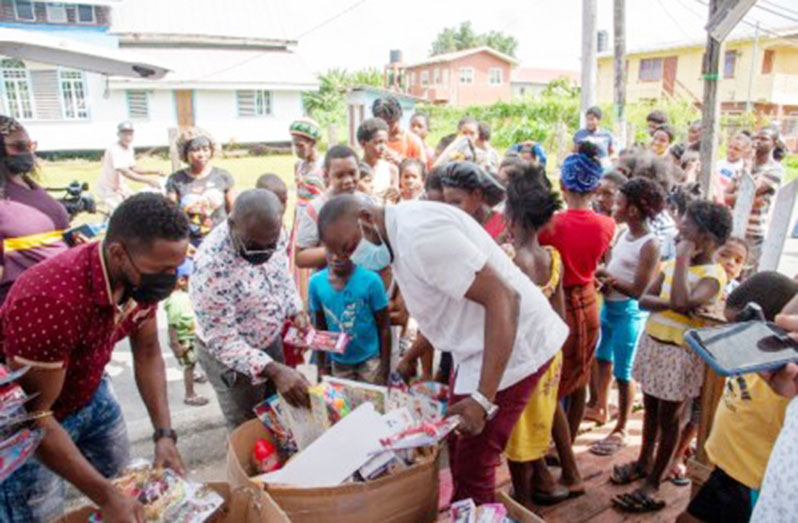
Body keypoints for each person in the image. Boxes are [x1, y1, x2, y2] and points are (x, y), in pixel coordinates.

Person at [316, 194, 569, 504]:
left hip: (514, 344)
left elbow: (505, 299)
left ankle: (478, 510)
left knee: (475, 463)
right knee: (459, 449)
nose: (353, 258)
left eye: (350, 246)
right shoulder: (397, 234)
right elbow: (443, 308)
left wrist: (482, 399)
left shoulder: (420, 237)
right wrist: (409, 359)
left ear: (367, 218)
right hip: (476, 347)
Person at [0, 193, 188, 522]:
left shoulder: (140, 279)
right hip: (32, 420)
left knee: (128, 490)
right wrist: (104, 495)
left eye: (175, 267)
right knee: (40, 512)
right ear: (118, 253)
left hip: (91, 393)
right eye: (162, 269)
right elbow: (34, 416)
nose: (171, 279)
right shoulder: (52, 301)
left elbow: (147, 351)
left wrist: (164, 434)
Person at [612, 200, 731, 514]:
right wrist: (674, 302)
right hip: (655, 344)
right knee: (650, 412)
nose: (679, 231)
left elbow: (678, 300)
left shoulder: (712, 274)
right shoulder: (669, 266)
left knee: (670, 419)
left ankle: (654, 481)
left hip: (679, 354)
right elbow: (645, 300)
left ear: (705, 238)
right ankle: (643, 461)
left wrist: (680, 262)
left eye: (687, 229)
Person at [677, 271, 798, 523]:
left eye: (740, 330)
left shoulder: (786, 378)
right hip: (724, 468)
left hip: (750, 482)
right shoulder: (745, 358)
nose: (732, 335)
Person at [190, 189, 312, 430]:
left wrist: (294, 309)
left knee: (280, 417)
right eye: (254, 246)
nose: (264, 253)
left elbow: (280, 274)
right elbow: (223, 341)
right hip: (232, 361)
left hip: (270, 341)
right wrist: (274, 370)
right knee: (250, 427)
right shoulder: (210, 266)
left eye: (271, 245)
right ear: (232, 223)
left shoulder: (272, 233)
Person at [502, 164, 572, 507]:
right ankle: (538, 485)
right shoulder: (552, 259)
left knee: (516, 429)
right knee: (536, 423)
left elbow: (503, 320)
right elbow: (560, 319)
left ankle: (524, 502)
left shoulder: (508, 261)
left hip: (519, 360)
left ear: (511, 215)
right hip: (548, 356)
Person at [539, 143, 615, 449]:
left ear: (561, 185)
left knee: (551, 382)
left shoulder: (548, 225)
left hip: (556, 305)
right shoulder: (608, 225)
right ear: (596, 188)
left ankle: (547, 444)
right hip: (589, 303)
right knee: (581, 377)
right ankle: (566, 444)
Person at [588, 178, 664, 455]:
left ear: (633, 210)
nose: (613, 206)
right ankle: (600, 408)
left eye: (619, 202)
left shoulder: (649, 244)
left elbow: (641, 291)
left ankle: (621, 426)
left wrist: (609, 279)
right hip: (609, 309)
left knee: (624, 373)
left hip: (628, 315)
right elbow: (614, 265)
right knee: (602, 359)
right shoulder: (622, 233)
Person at [310, 205, 391, 384]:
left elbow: (384, 326)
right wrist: (321, 365)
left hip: (369, 359)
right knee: (343, 407)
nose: (337, 257)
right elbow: (320, 326)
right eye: (331, 251)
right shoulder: (316, 283)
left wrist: (384, 369)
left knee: (370, 403)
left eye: (343, 251)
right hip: (339, 361)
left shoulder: (371, 281)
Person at [0, 116, 69, 306]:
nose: (27, 152)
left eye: (29, 145)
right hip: (23, 301)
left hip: (59, 290)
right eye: (19, 146)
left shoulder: (29, 184)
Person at [295, 145, 370, 270]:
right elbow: (300, 257)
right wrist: (338, 249)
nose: (348, 180)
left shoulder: (367, 202)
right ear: (325, 175)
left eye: (352, 173)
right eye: (340, 176)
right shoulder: (316, 208)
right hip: (331, 284)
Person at [726, 126, 785, 269]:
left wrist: (745, 198)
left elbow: (751, 191)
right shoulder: (742, 167)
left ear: (774, 143)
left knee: (745, 275)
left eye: (764, 139)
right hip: (733, 229)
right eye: (756, 138)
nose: (758, 142)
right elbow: (726, 197)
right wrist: (750, 200)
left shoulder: (775, 170)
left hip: (754, 234)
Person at [166, 127, 235, 246]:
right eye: (195, 150)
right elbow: (170, 214)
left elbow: (234, 211)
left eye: (205, 149)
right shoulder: (175, 180)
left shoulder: (223, 176)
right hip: (189, 243)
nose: (201, 154)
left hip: (220, 241)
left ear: (211, 151)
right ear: (185, 153)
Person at [289, 118, 326, 304]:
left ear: (313, 143)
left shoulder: (324, 166)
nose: (297, 150)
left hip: (317, 221)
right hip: (300, 220)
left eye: (301, 145)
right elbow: (297, 198)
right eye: (295, 146)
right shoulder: (299, 166)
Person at [164, 258, 209, 407]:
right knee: (188, 366)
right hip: (185, 341)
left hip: (191, 337)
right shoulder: (176, 301)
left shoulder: (183, 296)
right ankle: (189, 394)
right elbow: (172, 326)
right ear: (182, 281)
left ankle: (193, 374)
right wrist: (175, 344)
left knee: (193, 362)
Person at [97, 121, 165, 213]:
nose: (128, 137)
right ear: (118, 134)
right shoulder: (115, 149)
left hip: (121, 188)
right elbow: (125, 172)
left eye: (130, 134)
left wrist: (155, 171)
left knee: (136, 206)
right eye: (124, 134)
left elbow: (133, 168)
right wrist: (148, 180)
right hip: (109, 190)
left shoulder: (129, 148)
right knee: (121, 214)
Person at [440, 161, 507, 241]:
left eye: (456, 202)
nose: (451, 208)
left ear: (477, 194)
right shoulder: (451, 226)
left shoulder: (503, 227)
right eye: (447, 203)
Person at [372, 96, 427, 166]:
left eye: (389, 122)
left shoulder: (413, 141)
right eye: (381, 122)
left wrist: (401, 163)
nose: (385, 126)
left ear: (398, 116)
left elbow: (422, 172)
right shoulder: (373, 140)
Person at [357, 118, 399, 202]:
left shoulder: (391, 170)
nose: (383, 147)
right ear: (363, 143)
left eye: (385, 142)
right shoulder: (355, 171)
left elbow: (394, 199)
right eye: (377, 142)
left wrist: (395, 193)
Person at [714, 132, 752, 203]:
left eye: (736, 149)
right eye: (730, 147)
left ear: (745, 151)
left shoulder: (742, 168)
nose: (731, 151)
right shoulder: (718, 163)